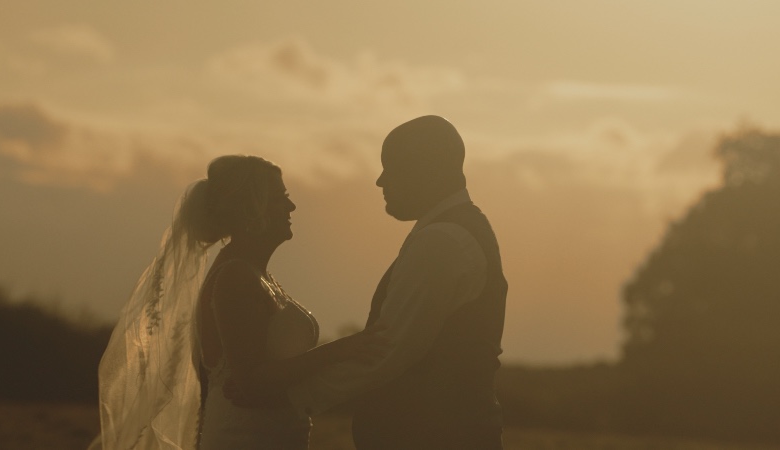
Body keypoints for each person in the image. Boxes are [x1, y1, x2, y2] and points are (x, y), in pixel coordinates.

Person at [93, 155, 385, 450]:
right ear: (250, 209)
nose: (291, 206)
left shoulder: (254, 273)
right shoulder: (235, 278)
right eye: (279, 198)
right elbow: (249, 383)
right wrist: (340, 350)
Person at [282, 115, 508, 449]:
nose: (380, 180)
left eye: (392, 167)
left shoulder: (442, 241)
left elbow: (389, 351)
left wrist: (288, 399)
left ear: (426, 169)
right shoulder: (459, 230)